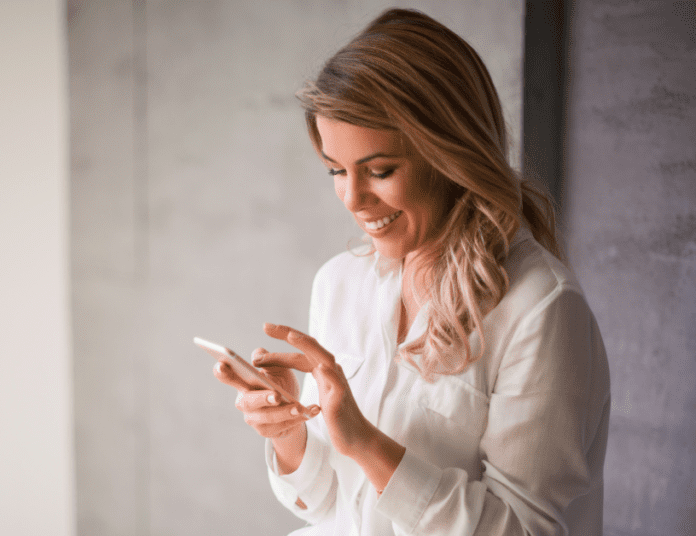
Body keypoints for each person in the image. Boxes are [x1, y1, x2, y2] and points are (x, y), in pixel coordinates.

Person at [213, 8, 610, 535]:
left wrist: (367, 443)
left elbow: (526, 529)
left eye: (380, 170)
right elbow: (327, 503)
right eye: (336, 170)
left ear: (451, 151)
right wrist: (290, 435)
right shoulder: (340, 284)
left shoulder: (541, 309)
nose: (352, 199)